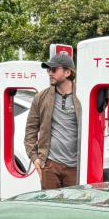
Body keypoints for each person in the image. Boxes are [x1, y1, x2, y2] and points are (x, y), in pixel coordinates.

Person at [24, 52, 82, 190]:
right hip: (50, 165)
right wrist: (35, 158)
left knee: (72, 208)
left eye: (54, 69)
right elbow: (30, 130)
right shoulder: (41, 97)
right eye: (48, 69)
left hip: (75, 167)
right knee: (49, 208)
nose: (50, 73)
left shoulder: (82, 96)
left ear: (68, 72)